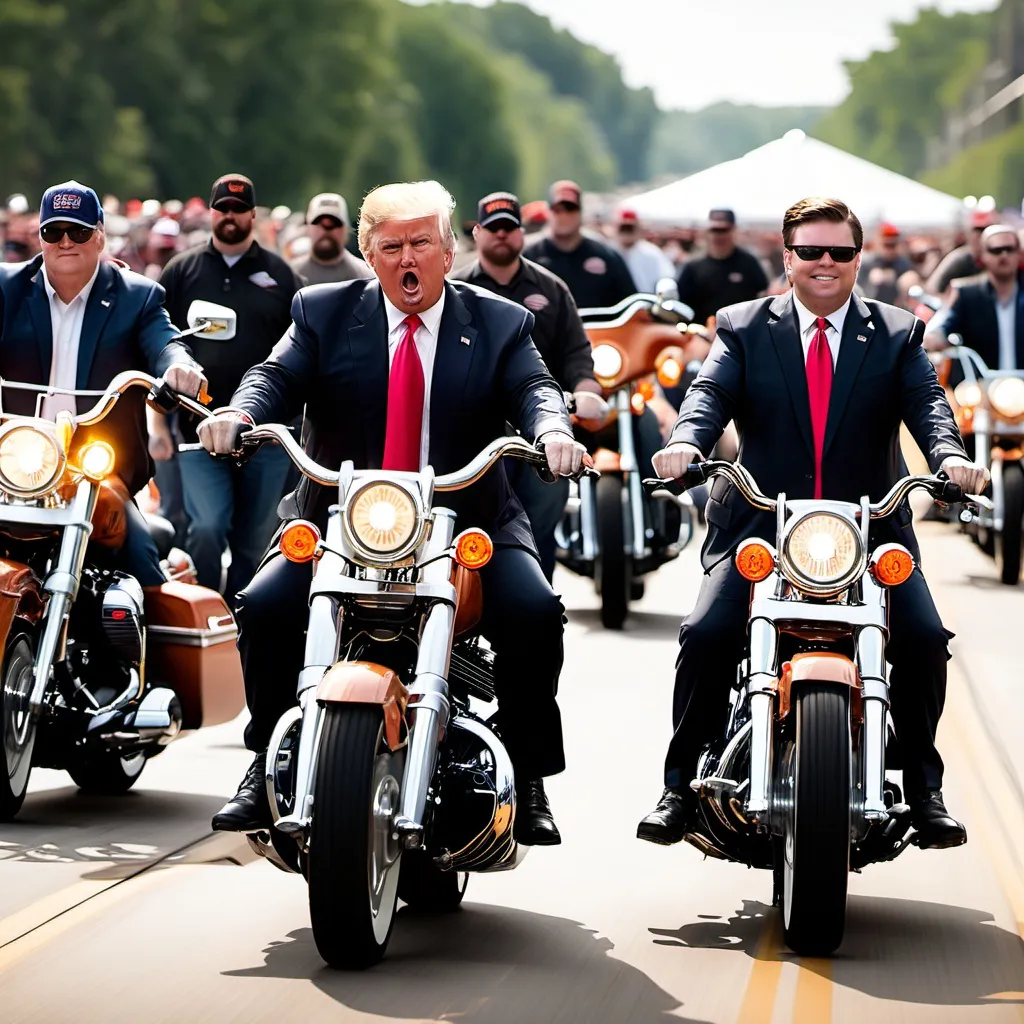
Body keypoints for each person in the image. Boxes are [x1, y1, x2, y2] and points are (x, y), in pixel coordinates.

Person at [200, 180, 586, 845]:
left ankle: (526, 773)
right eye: (391, 246)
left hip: (467, 520)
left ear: (448, 249)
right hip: (342, 522)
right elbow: (276, 373)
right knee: (263, 604)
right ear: (368, 254)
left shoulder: (499, 321)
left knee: (533, 610)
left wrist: (552, 428)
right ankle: (266, 758)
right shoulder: (321, 311)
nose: (408, 259)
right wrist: (241, 410)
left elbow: (535, 385)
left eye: (422, 243)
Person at [637, 196, 988, 852]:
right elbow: (709, 393)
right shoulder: (744, 326)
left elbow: (929, 405)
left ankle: (924, 788)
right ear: (787, 256)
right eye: (811, 251)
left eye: (840, 252)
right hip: (761, 528)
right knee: (708, 632)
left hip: (870, 529)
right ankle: (680, 786)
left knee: (921, 637)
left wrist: (950, 458)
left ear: (858, 259)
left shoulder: (896, 332)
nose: (825, 263)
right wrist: (687, 440)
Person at [0, 180, 206, 585]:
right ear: (39, 238)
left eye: (78, 231)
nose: (65, 242)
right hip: (14, 459)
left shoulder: (137, 297)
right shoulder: (7, 288)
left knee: (140, 564)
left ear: (100, 237)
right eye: (53, 231)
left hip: (96, 467)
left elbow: (165, 343)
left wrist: (180, 367)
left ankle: (143, 645)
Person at [159, 173, 302, 603]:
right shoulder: (181, 271)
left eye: (239, 210)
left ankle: (242, 630)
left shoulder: (281, 276)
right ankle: (203, 612)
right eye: (223, 209)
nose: (231, 217)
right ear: (211, 212)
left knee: (255, 539)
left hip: (266, 436)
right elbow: (157, 341)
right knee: (205, 526)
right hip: (195, 426)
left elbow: (303, 350)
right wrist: (158, 424)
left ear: (252, 216)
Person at [454, 190, 605, 581]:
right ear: (478, 233)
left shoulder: (552, 289)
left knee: (538, 533)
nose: (501, 236)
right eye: (493, 229)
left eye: (509, 228)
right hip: (476, 432)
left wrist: (586, 388)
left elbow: (576, 352)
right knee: (469, 531)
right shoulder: (455, 290)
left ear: (521, 233)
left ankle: (535, 615)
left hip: (545, 429)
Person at [523, 180, 636, 309]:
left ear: (581, 212)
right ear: (549, 212)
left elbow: (630, 305)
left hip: (597, 328)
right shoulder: (528, 255)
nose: (564, 215)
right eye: (558, 209)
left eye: (570, 209)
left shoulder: (606, 255)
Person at [924, 224, 1024, 370]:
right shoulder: (965, 293)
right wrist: (932, 340)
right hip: (979, 387)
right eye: (995, 250)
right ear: (982, 255)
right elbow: (942, 327)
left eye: (1009, 249)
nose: (1003, 255)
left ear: (1019, 254)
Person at [676, 209, 769, 327]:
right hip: (702, 335)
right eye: (714, 230)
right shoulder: (693, 267)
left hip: (741, 335)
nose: (718, 236)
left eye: (723, 230)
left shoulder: (749, 263)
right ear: (707, 232)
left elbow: (763, 296)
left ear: (733, 231)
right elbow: (682, 305)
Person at [288, 192, 372, 285]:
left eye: (335, 223)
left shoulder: (366, 277)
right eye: (319, 222)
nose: (326, 229)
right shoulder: (289, 276)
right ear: (308, 228)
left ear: (346, 230)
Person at [926, 211, 993, 296]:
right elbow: (933, 289)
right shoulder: (960, 258)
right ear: (969, 233)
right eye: (978, 230)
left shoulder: (1002, 258)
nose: (982, 234)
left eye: (988, 229)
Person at [615, 208, 676, 293]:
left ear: (638, 228)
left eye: (630, 228)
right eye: (623, 228)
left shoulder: (651, 253)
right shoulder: (610, 252)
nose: (627, 232)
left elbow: (666, 277)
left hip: (646, 301)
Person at [857, 222, 915, 305]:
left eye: (894, 245)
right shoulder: (866, 263)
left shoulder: (903, 263)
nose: (890, 250)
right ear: (877, 244)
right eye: (887, 245)